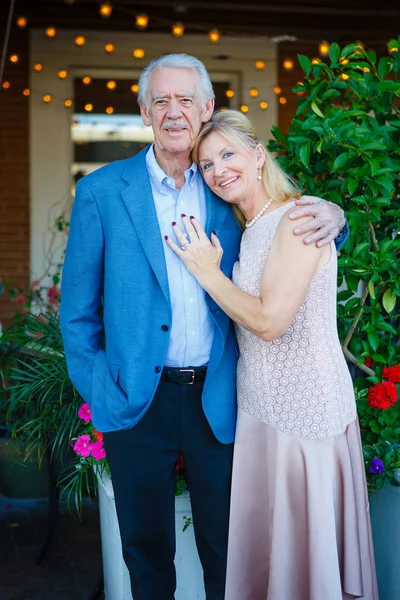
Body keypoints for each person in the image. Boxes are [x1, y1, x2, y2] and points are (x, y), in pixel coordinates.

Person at [60, 54, 348, 600]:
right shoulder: (101, 191)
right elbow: (76, 312)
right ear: (144, 112)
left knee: (228, 550)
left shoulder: (226, 185)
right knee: (144, 553)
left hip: (219, 399)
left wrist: (336, 220)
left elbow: (283, 222)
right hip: (135, 403)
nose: (174, 112)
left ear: (207, 108)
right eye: (161, 101)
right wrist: (101, 389)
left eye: (186, 99)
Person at [166, 109, 378, 600]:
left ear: (258, 156)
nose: (218, 171)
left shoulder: (298, 217)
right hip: (261, 410)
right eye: (206, 164)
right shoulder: (252, 226)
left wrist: (207, 272)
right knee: (275, 558)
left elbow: (268, 322)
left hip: (306, 415)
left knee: (306, 556)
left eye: (228, 155)